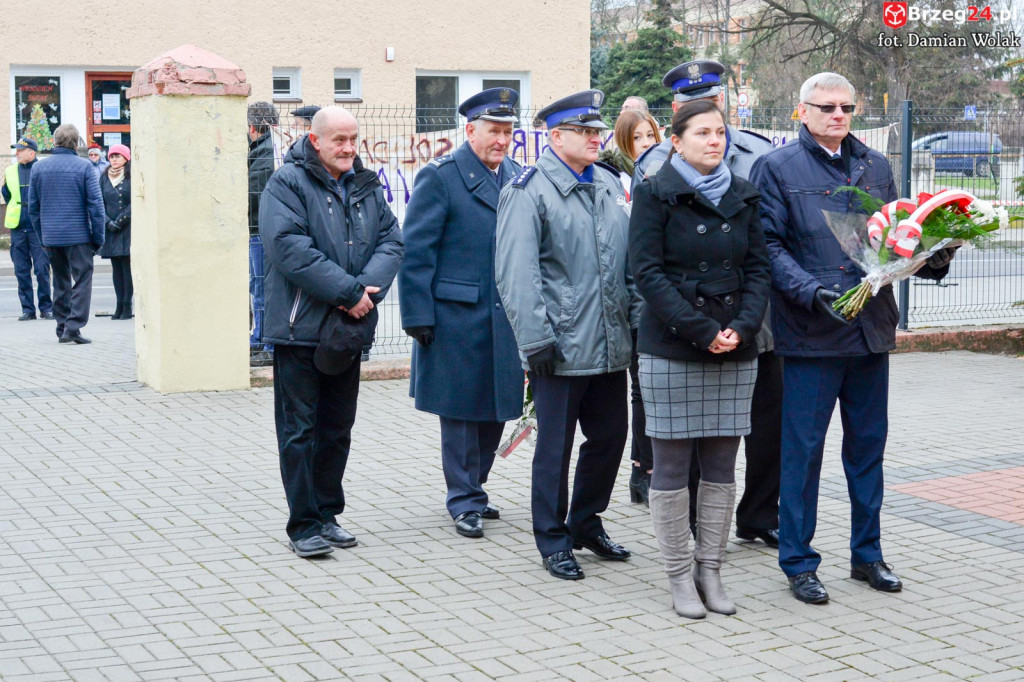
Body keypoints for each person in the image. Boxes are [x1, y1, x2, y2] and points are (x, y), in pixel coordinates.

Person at [749, 72, 954, 604]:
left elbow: (897, 238)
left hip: (869, 332)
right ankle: (799, 561)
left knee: (867, 451)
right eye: (827, 107)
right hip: (812, 333)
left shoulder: (875, 165)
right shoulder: (777, 167)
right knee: (803, 454)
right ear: (802, 111)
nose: (838, 115)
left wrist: (936, 254)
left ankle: (868, 554)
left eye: (846, 107)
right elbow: (768, 246)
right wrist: (810, 292)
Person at [629, 100, 770, 619]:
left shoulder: (744, 193)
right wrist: (702, 331)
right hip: (673, 346)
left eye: (720, 133)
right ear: (676, 140)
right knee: (670, 465)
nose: (715, 141)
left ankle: (710, 568)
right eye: (703, 133)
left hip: (734, 346)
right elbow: (647, 274)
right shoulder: (653, 193)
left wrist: (742, 327)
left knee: (721, 466)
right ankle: (677, 574)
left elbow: (759, 270)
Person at [496, 89, 641, 581]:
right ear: (556, 137)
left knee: (611, 437)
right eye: (585, 131)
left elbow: (625, 263)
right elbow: (517, 272)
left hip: (610, 343)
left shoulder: (606, 183)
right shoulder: (528, 190)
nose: (597, 138)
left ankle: (585, 522)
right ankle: (552, 538)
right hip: (558, 346)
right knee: (554, 448)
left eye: (598, 130)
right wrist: (535, 339)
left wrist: (635, 323)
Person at [259, 106, 403, 558]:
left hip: (347, 330)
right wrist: (348, 292)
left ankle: (327, 514)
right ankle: (303, 525)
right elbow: (288, 247)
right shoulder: (286, 183)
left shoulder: (365, 185)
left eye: (353, 139)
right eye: (339, 140)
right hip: (300, 328)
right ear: (315, 140)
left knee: (337, 428)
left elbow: (392, 240)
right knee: (299, 430)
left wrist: (365, 293)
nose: (348, 148)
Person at [398, 88, 524, 539]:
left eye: (508, 132)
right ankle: (464, 498)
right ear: (470, 131)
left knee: (498, 408)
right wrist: (417, 315)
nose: (502, 140)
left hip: (504, 314)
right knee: (461, 413)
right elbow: (417, 251)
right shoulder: (441, 177)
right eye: (494, 131)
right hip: (456, 314)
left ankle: (476, 486)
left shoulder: (517, 175)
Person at [28, 124, 105, 345]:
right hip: (78, 236)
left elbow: (33, 208)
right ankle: (73, 326)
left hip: (51, 236)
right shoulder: (85, 167)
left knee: (60, 281)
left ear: (55, 141)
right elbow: (96, 206)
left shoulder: (39, 168)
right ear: (76, 143)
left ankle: (62, 325)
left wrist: (42, 236)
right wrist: (98, 238)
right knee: (82, 280)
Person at [2, 137, 53, 321]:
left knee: (41, 269)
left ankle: (46, 308)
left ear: (31, 152)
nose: (16, 153)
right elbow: (7, 194)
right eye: (16, 150)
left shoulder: (42, 169)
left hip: (37, 228)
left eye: (20, 150)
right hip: (18, 227)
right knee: (21, 271)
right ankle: (28, 310)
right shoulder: (10, 170)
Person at [247, 101, 280, 365]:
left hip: (261, 230)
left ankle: (266, 342)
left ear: (252, 127)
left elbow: (252, 195)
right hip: (263, 229)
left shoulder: (264, 154)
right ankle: (259, 339)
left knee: (262, 287)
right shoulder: (268, 150)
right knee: (259, 286)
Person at [98, 144, 133, 319]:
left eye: (118, 156)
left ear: (126, 158)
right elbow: (99, 201)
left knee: (127, 267)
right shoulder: (104, 177)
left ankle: (127, 305)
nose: (114, 159)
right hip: (110, 228)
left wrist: (120, 221)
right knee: (116, 268)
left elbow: (134, 201)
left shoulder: (131, 175)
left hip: (127, 228)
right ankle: (118, 305)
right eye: (112, 156)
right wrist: (107, 221)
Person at [597, 109, 661, 197]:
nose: (647, 143)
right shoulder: (611, 179)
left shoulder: (667, 171)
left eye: (650, 135)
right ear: (623, 141)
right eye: (636, 137)